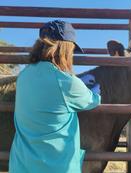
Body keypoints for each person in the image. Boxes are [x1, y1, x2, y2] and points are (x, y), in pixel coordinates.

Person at [9, 20, 101, 173]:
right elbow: (93, 100)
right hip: (56, 168)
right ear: (64, 49)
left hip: (21, 166)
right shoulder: (66, 82)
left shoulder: (23, 76)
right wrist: (92, 89)